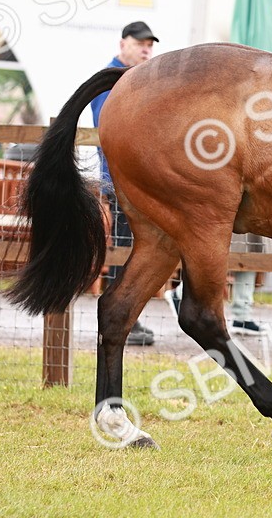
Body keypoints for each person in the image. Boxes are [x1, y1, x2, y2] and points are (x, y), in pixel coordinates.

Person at [90, 21, 159, 346]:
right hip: (120, 179)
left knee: (130, 248)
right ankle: (122, 319)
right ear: (123, 44)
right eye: (141, 44)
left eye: (150, 45)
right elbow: (110, 127)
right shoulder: (113, 80)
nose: (147, 50)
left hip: (130, 180)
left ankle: (126, 318)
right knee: (125, 249)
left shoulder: (134, 80)